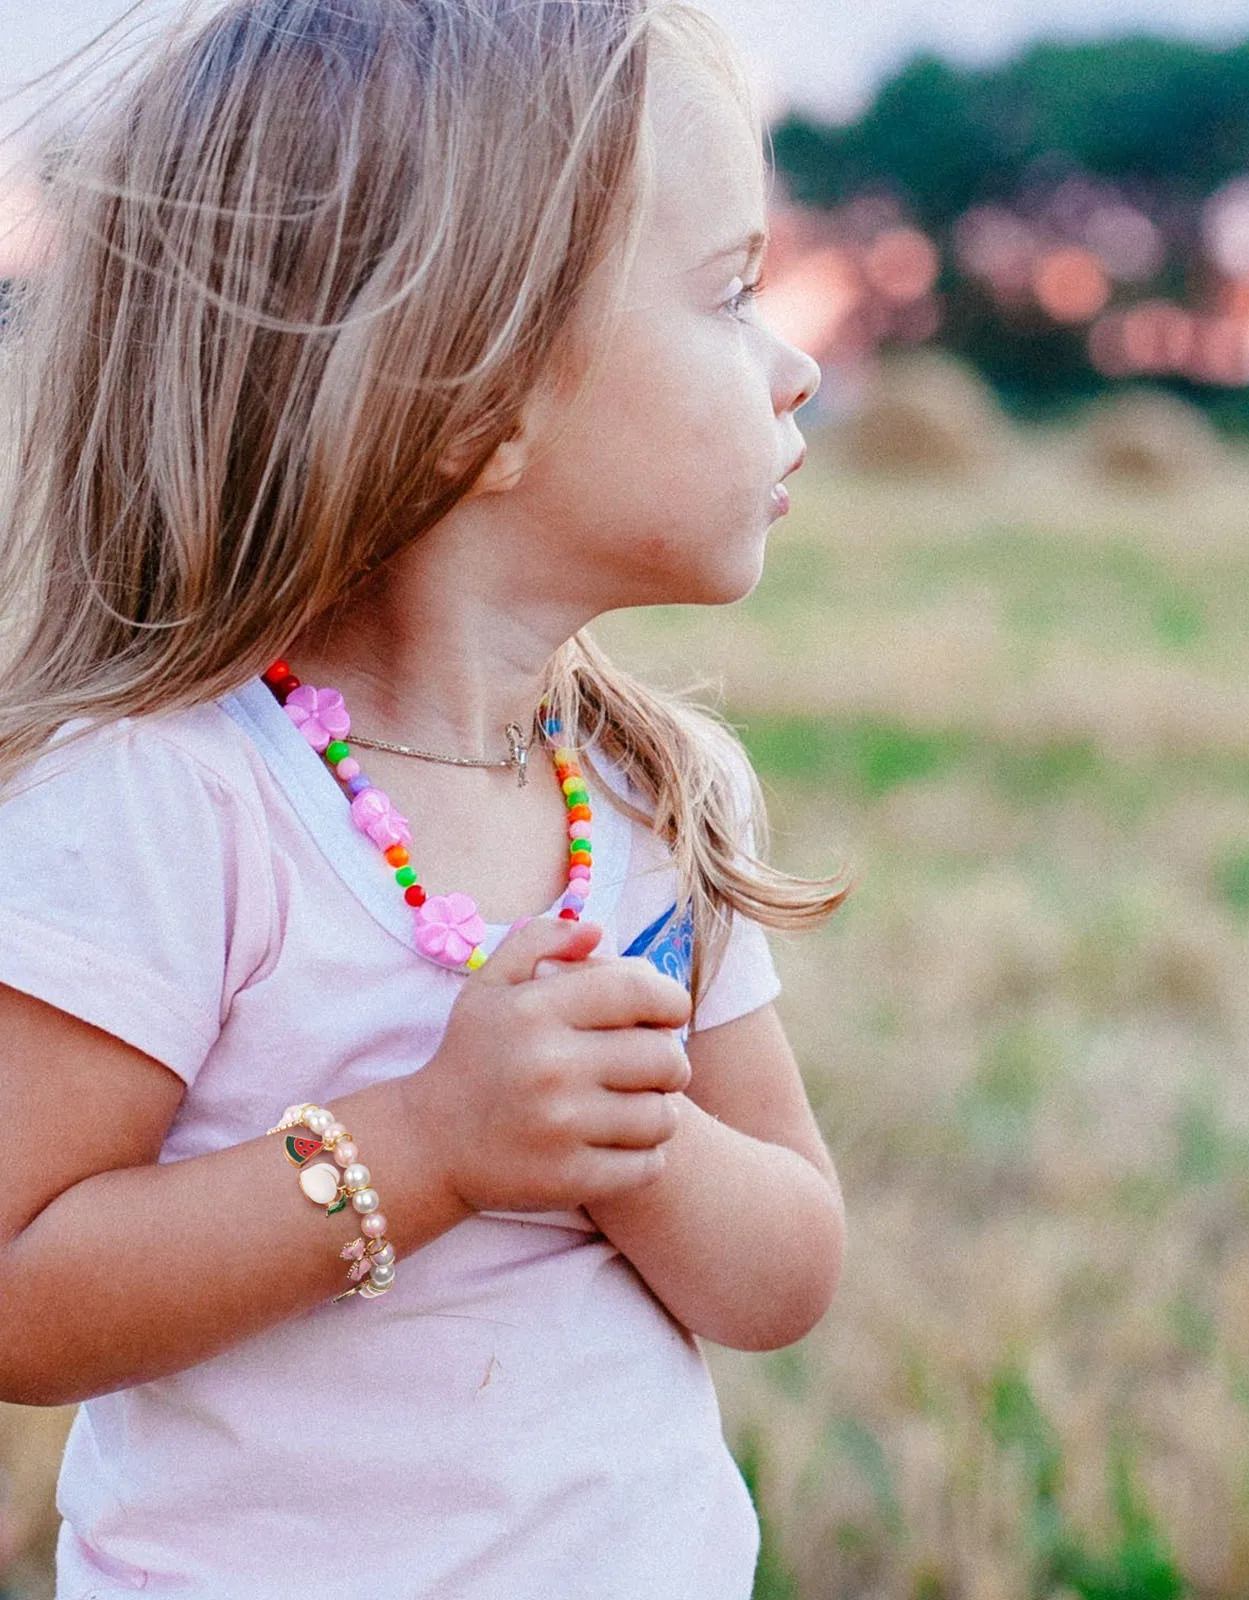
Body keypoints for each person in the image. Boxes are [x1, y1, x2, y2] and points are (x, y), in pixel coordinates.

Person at [0, 2, 847, 1594]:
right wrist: (432, 1146)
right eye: (730, 295)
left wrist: (623, 1142)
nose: (796, 365)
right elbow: (20, 1296)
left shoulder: (658, 797)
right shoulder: (168, 803)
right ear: (473, 397)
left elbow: (785, 1272)